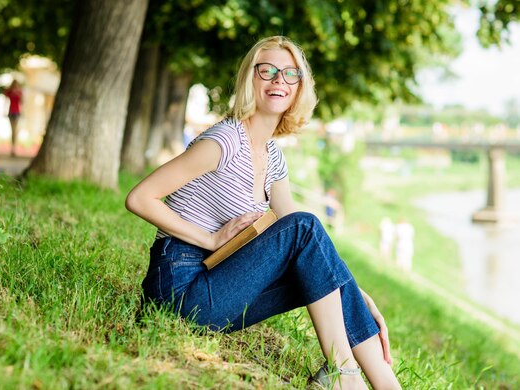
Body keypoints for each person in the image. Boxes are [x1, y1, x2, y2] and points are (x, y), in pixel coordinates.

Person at [126, 36, 400, 389]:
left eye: (290, 74)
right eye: (267, 71)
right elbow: (140, 197)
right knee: (306, 227)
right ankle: (344, 374)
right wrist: (209, 238)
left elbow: (312, 248)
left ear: (300, 87)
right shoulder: (224, 141)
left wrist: (356, 293)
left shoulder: (272, 157)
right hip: (180, 288)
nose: (278, 81)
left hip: (219, 291)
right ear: (249, 79)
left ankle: (386, 385)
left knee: (317, 261)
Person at [3, 80, 23, 156]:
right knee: (13, 130)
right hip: (11, 112)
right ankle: (13, 148)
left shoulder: (19, 92)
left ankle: (14, 148)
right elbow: (5, 100)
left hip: (17, 112)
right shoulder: (10, 92)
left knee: (15, 130)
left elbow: (22, 102)